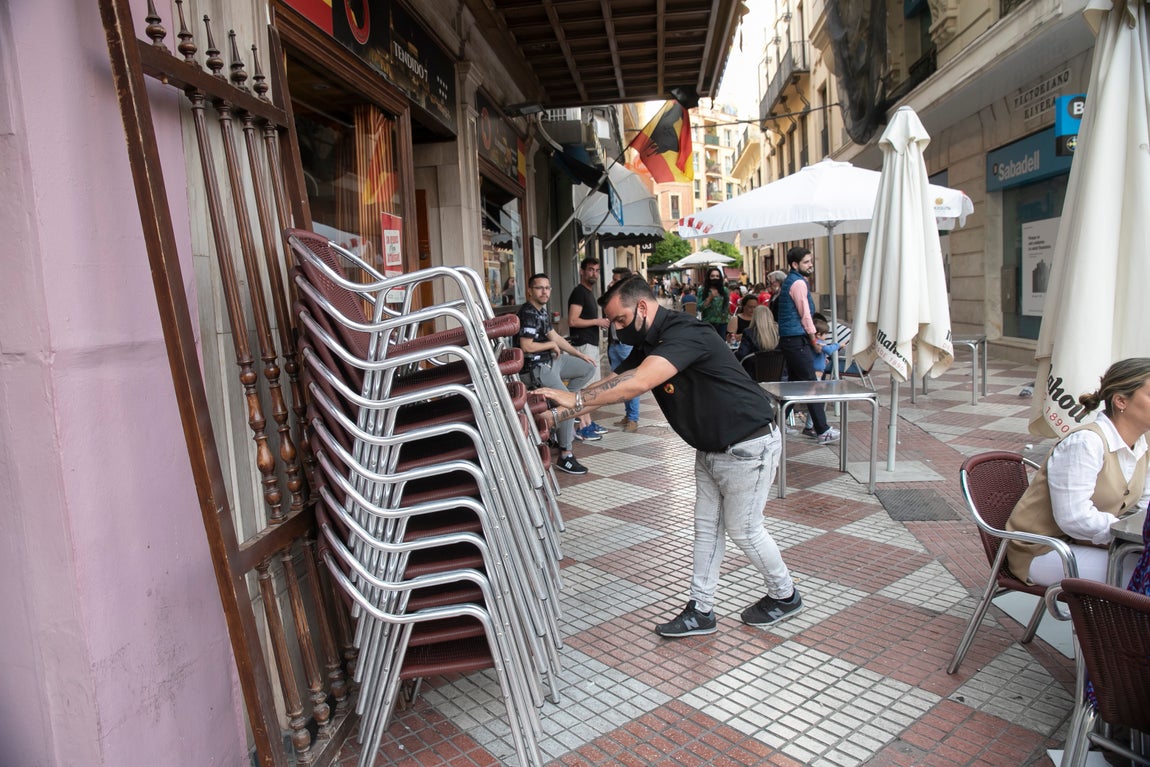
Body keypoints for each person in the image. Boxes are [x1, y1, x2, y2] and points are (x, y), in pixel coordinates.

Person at [535, 276, 803, 638]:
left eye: (620, 320)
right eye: (612, 322)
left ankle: (785, 594)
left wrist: (576, 399)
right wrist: (555, 414)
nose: (617, 329)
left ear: (642, 307)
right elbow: (614, 380)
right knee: (706, 529)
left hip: (748, 445)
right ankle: (701, 610)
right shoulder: (650, 339)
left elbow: (637, 383)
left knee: (744, 529)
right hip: (710, 447)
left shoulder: (686, 333)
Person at [1005, 358, 1150, 585]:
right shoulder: (1085, 443)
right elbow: (1074, 518)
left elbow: (1144, 506)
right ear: (1121, 400)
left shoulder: (1142, 444)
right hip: (1044, 549)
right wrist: (1126, 534)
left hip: (1090, 542)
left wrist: (1134, 535)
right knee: (1144, 574)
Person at [517, 273, 598, 475]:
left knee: (587, 367)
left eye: (547, 288)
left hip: (552, 361)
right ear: (530, 291)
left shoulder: (541, 312)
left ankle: (559, 409)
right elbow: (526, 346)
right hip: (536, 368)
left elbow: (556, 338)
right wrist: (550, 345)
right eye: (539, 288)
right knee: (569, 403)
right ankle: (565, 454)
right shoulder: (527, 312)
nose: (544, 292)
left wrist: (579, 354)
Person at [776, 247, 840, 445]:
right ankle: (822, 429)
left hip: (791, 340)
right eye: (806, 262)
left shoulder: (793, 281)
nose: (811, 265)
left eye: (811, 261)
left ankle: (775, 424)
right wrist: (814, 341)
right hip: (796, 340)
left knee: (795, 385)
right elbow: (805, 316)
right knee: (811, 383)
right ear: (795, 264)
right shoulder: (798, 283)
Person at [567, 257, 611, 441]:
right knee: (585, 387)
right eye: (591, 269)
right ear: (582, 271)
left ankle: (588, 422)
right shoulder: (579, 292)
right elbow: (572, 320)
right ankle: (583, 426)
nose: (594, 273)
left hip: (590, 344)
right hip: (583, 344)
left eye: (597, 270)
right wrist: (597, 321)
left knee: (590, 386)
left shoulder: (588, 292)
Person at [607, 267, 640, 431]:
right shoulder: (614, 297)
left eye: (615, 280)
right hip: (614, 344)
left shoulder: (629, 299)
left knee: (630, 381)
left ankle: (633, 419)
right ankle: (628, 415)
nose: (611, 282)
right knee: (620, 382)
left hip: (626, 345)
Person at [699, 267, 730, 338]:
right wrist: (709, 298)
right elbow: (699, 308)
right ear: (708, 277)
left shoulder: (725, 290)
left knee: (721, 342)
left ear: (720, 278)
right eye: (712, 276)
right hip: (708, 323)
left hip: (722, 323)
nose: (715, 278)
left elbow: (726, 306)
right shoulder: (702, 290)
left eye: (717, 276)